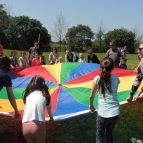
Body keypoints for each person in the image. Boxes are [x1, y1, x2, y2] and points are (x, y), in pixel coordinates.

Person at [89, 57, 120, 143]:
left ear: (100, 67)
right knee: (109, 134)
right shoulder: (116, 78)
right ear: (113, 67)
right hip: (114, 113)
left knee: (99, 136)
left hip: (102, 114)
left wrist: (91, 106)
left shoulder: (96, 79)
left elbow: (91, 95)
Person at [22, 75, 53, 143]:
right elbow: (49, 109)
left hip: (25, 125)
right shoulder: (45, 96)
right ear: (43, 85)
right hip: (38, 126)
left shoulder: (28, 96)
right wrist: (51, 118)